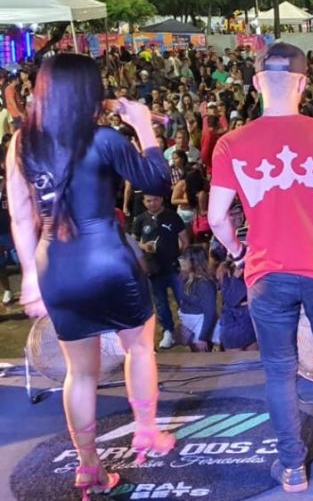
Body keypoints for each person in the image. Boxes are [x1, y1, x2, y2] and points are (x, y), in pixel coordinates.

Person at [5, 55, 174, 498]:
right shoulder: (103, 139)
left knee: (79, 374)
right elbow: (157, 181)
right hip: (108, 260)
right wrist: (143, 125)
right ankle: (146, 431)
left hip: (56, 267)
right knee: (139, 346)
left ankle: (88, 466)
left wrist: (29, 276)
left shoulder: (22, 143)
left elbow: (20, 217)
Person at [208, 43, 313, 492]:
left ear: (256, 83)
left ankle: (292, 468)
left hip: (267, 272)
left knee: (279, 369)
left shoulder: (231, 143)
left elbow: (217, 216)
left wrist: (236, 251)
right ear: (302, 83)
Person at [132, 193, 190, 349]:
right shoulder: (140, 220)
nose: (152, 203)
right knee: (160, 304)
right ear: (144, 202)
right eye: (148, 201)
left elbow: (185, 241)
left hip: (174, 268)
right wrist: (144, 246)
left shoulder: (172, 216)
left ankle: (189, 328)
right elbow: (133, 242)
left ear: (162, 199)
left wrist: (183, 262)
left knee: (183, 299)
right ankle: (168, 331)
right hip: (153, 270)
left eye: (155, 200)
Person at [178, 245, 218, 352]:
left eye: (185, 259)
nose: (182, 262)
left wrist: (202, 337)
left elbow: (210, 312)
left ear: (194, 262)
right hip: (189, 325)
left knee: (201, 356)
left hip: (200, 327)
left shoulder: (205, 285)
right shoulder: (185, 279)